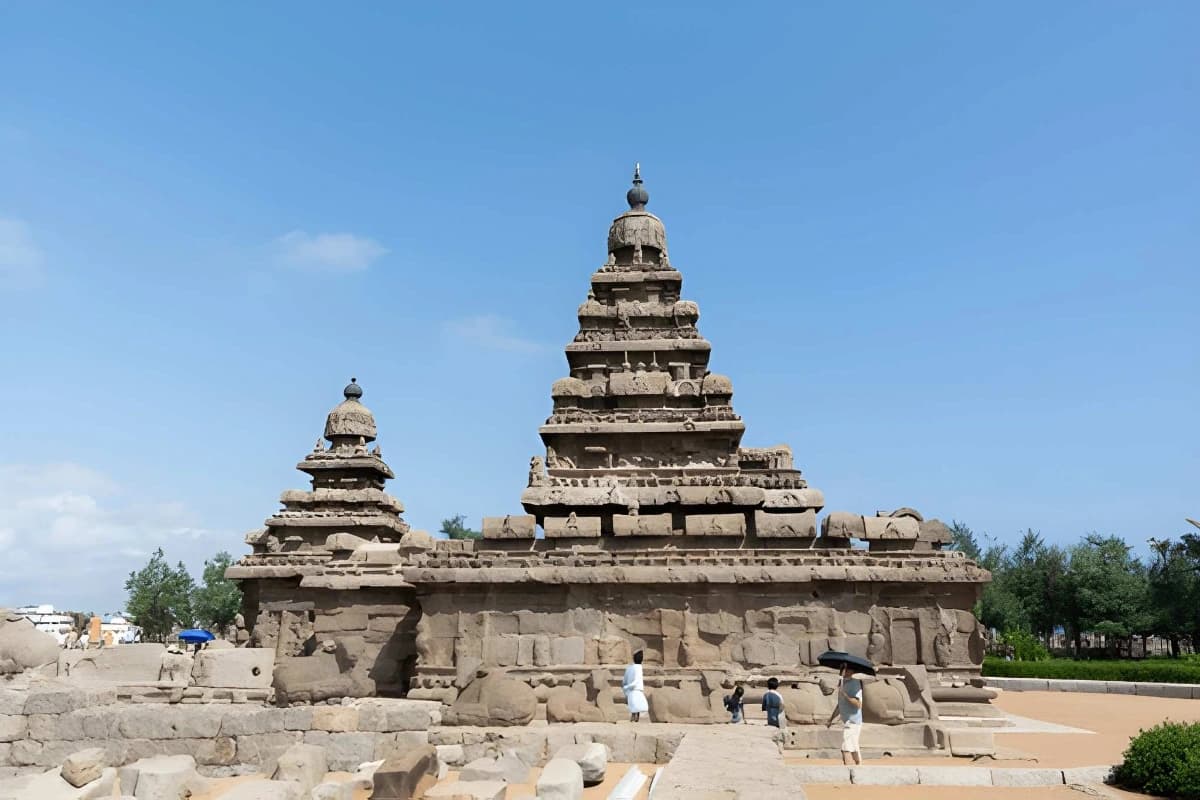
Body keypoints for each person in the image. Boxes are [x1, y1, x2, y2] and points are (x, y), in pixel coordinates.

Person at [826, 664, 864, 765]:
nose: (843, 672)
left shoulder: (855, 683)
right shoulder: (842, 684)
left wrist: (845, 695)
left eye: (846, 669)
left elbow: (858, 704)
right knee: (854, 746)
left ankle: (848, 770)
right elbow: (840, 705)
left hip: (854, 721)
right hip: (847, 721)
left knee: (846, 747)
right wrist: (831, 719)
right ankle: (859, 766)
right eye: (842, 669)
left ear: (852, 671)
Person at [622, 650, 648, 722]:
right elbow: (636, 681)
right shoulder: (639, 668)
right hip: (636, 689)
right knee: (638, 707)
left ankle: (634, 718)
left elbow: (624, 680)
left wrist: (626, 687)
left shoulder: (629, 668)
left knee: (634, 707)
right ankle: (635, 719)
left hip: (630, 691)